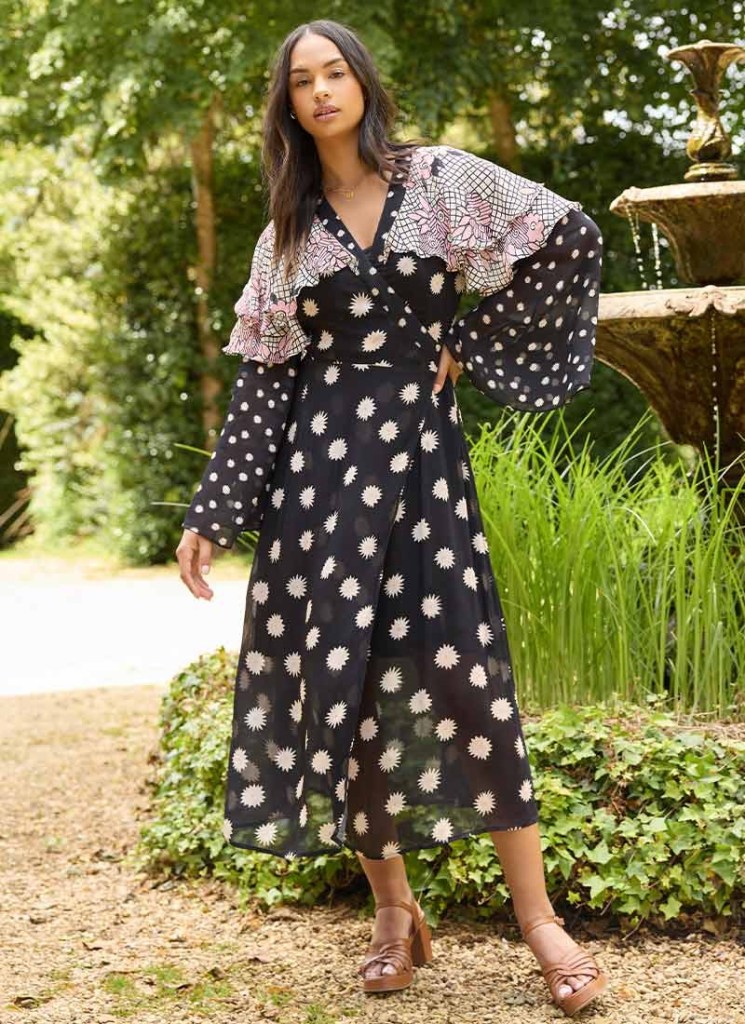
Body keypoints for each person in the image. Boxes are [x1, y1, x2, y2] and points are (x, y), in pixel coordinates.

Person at [175, 17, 607, 1016]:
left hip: (422, 475)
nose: (321, 90)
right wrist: (214, 511)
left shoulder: (441, 181)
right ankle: (392, 914)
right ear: (288, 107)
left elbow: (570, 235)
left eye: (335, 72)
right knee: (352, 692)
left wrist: (470, 341)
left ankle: (541, 923)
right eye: (302, 81)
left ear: (362, 83)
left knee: (468, 681)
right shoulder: (285, 236)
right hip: (320, 492)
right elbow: (264, 389)